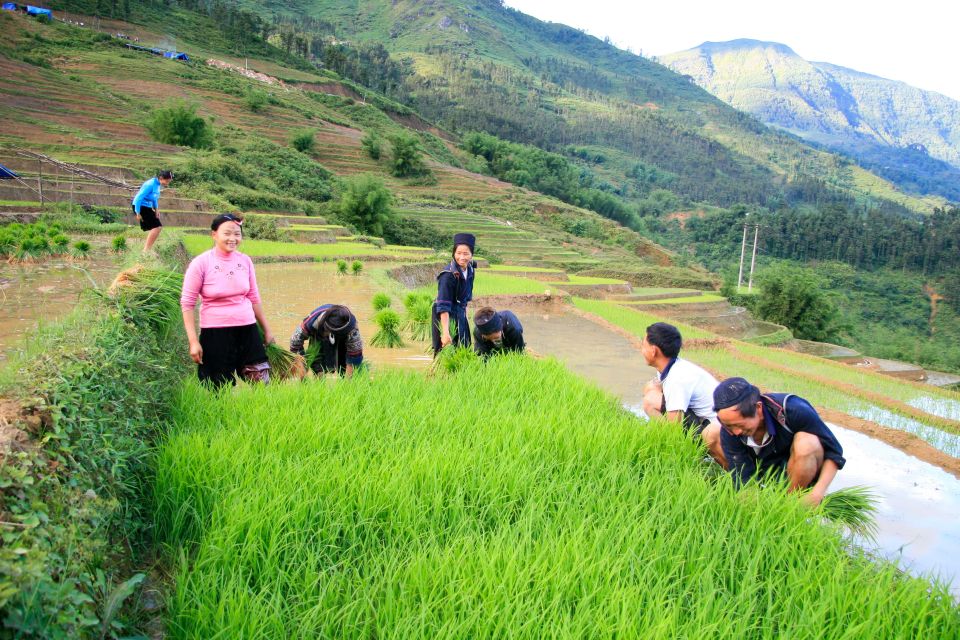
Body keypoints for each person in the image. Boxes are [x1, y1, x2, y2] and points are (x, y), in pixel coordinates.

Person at [712, 377, 845, 506]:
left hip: (800, 470)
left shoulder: (793, 410)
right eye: (728, 426)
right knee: (711, 434)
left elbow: (834, 453)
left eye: (740, 425)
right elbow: (743, 478)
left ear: (758, 409)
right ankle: (773, 501)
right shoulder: (729, 432)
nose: (736, 432)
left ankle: (792, 502)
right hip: (765, 473)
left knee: (807, 443)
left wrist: (818, 492)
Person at [180, 213, 275, 387]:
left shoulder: (245, 261)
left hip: (248, 328)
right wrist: (193, 342)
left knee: (261, 380)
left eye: (237, 234)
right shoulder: (200, 263)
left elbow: (253, 297)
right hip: (215, 331)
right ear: (214, 234)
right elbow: (187, 303)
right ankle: (222, 413)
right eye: (227, 233)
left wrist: (267, 330)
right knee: (217, 386)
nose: (233, 238)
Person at [640, 322, 726, 466]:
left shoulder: (677, 378)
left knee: (650, 401)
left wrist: (670, 458)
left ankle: (687, 455)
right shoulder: (672, 366)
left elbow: (675, 426)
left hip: (719, 433)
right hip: (708, 421)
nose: (641, 350)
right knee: (650, 390)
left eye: (643, 345)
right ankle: (683, 447)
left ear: (654, 351)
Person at [431, 233, 476, 355]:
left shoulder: (471, 270)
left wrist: (463, 317)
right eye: (458, 253)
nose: (462, 257)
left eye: (466, 254)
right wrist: (445, 333)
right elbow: (443, 306)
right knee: (444, 350)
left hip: (460, 313)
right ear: (453, 253)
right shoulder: (447, 276)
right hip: (445, 315)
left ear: (472, 254)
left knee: (464, 348)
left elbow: (466, 299)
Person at [290, 304, 364, 377]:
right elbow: (295, 341)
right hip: (319, 335)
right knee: (318, 365)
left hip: (343, 340)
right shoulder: (313, 320)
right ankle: (319, 382)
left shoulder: (351, 329)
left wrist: (348, 383)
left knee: (344, 367)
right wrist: (302, 366)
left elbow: (354, 356)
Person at [131, 169, 173, 253]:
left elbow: (154, 198)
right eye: (167, 181)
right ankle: (146, 251)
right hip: (140, 206)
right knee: (157, 227)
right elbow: (139, 198)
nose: (167, 183)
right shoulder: (150, 184)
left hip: (147, 206)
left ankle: (147, 249)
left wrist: (156, 209)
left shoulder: (157, 184)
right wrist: (138, 212)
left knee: (156, 227)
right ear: (161, 178)